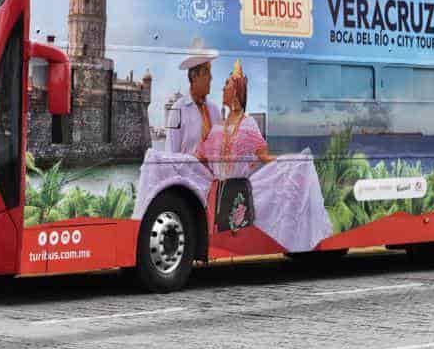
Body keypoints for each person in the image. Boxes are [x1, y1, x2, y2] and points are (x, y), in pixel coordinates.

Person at [135, 61, 333, 253]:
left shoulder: (243, 123)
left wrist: (292, 163)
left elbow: (263, 156)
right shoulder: (212, 122)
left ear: (236, 91)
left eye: (227, 84)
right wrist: (171, 164)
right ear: (195, 77)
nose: (219, 85)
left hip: (236, 192)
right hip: (212, 190)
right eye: (208, 75)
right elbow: (199, 155)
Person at [165, 37, 222, 155]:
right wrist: (194, 159)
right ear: (194, 76)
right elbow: (170, 157)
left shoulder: (215, 110)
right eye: (206, 72)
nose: (211, 77)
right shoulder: (177, 110)